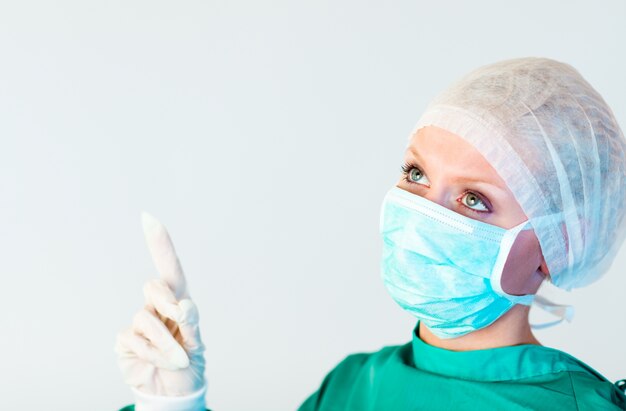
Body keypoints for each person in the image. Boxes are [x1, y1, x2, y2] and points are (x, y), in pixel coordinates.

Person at [115, 57, 626, 410]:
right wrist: (172, 403)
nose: (423, 214)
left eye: (474, 200)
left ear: (554, 248)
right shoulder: (353, 386)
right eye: (416, 174)